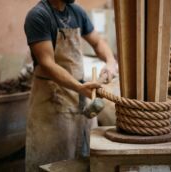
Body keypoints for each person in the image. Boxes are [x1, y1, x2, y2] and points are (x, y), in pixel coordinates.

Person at [24, 0, 117, 171]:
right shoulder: (38, 16)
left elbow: (97, 42)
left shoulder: (76, 11)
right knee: (54, 160)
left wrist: (111, 61)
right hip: (52, 98)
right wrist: (79, 87)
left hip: (80, 94)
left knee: (86, 156)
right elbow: (47, 64)